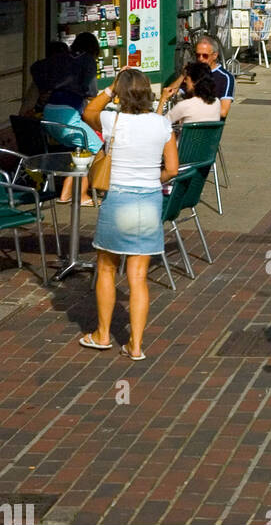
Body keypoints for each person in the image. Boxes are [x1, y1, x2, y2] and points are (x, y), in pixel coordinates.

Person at [78, 68, 178, 360]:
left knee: (107, 268)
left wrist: (110, 88)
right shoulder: (162, 124)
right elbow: (171, 169)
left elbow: (88, 112)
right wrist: (150, 180)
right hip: (148, 201)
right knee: (138, 276)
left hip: (118, 199)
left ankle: (103, 334)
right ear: (147, 92)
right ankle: (135, 345)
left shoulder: (112, 119)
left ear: (122, 93)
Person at [27, 34, 104, 206]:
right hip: (67, 115)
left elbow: (35, 67)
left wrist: (46, 86)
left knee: (81, 150)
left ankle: (65, 194)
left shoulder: (62, 58)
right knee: (97, 148)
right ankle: (83, 195)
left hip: (50, 114)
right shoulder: (87, 60)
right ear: (94, 49)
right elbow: (91, 91)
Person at [157, 61, 223, 127]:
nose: (184, 81)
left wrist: (162, 99)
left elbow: (158, 125)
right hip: (209, 137)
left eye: (186, 79)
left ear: (195, 82)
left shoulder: (184, 106)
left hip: (187, 137)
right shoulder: (217, 102)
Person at [194, 36, 235, 118]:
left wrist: (191, 110)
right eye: (197, 55)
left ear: (214, 55)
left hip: (208, 126)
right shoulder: (192, 72)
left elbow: (223, 112)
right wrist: (183, 75)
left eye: (205, 56)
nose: (200, 59)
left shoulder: (225, 77)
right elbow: (171, 93)